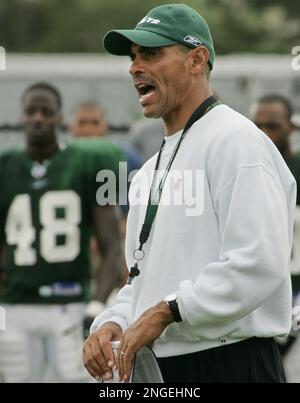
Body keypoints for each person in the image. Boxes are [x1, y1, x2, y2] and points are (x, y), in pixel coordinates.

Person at [83, 4, 296, 383]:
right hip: (169, 368)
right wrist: (112, 321)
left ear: (197, 60)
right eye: (133, 57)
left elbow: (259, 262)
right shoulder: (149, 170)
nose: (135, 67)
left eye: (151, 54)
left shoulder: (237, 141)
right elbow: (143, 278)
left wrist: (169, 310)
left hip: (231, 360)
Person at [0, 82, 121, 383]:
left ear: (59, 118)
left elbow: (112, 243)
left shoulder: (88, 162)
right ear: (21, 117)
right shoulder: (5, 166)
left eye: (46, 112)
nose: (38, 118)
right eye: (31, 111)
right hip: (16, 305)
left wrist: (98, 301)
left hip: (72, 303)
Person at [251, 94, 300, 381]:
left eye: (273, 126)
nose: (264, 133)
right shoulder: (245, 170)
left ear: (290, 128)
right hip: (260, 290)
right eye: (258, 125)